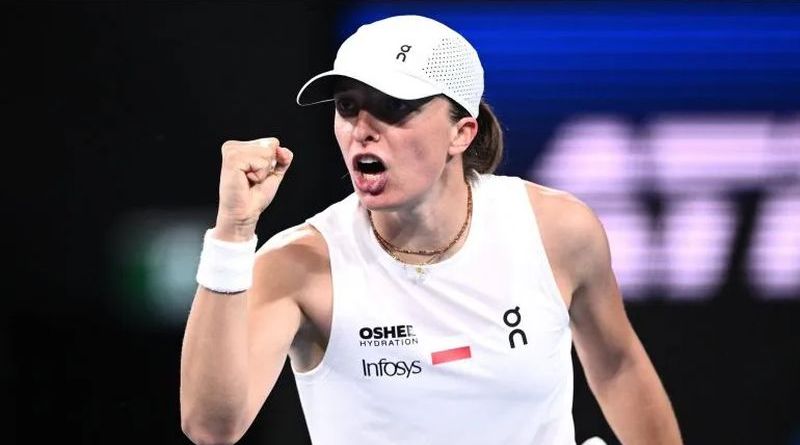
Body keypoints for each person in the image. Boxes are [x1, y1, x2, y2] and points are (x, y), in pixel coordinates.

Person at [179, 14, 682, 445]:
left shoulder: (556, 230)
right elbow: (211, 427)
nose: (363, 129)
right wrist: (233, 233)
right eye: (348, 106)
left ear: (461, 132)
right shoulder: (298, 265)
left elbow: (618, 366)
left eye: (394, 107)